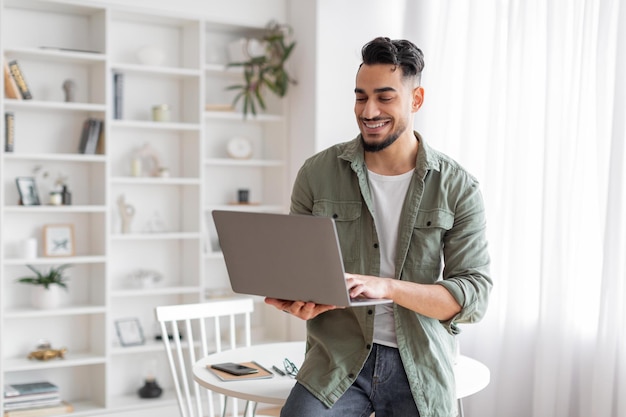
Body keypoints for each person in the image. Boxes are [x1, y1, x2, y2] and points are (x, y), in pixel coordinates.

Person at [265, 36, 492, 417]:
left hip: (418, 361)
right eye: (360, 97)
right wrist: (300, 301)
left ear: (415, 99)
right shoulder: (317, 173)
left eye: (385, 97)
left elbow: (473, 294)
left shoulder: (457, 186)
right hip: (337, 360)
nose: (368, 111)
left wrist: (385, 287)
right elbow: (300, 269)